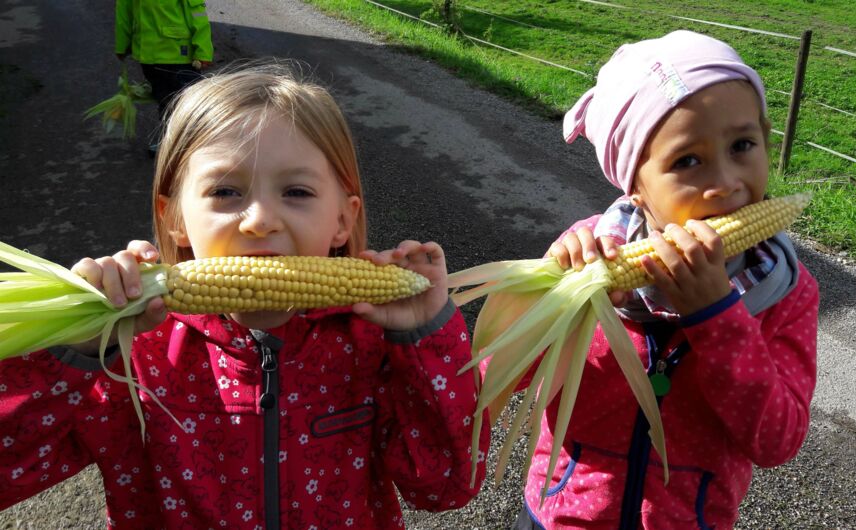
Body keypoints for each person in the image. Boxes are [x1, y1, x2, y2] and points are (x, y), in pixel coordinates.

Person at [0, 63, 489, 529]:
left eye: (296, 192)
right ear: (174, 218)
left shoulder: (371, 344)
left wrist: (425, 342)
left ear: (343, 220)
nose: (260, 219)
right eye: (226, 193)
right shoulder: (132, 354)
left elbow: (446, 489)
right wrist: (75, 350)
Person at [510, 31, 819, 529]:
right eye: (687, 161)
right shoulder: (587, 253)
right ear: (635, 185)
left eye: (743, 145)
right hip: (562, 517)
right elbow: (506, 381)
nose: (727, 183)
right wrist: (558, 300)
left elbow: (777, 442)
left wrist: (716, 316)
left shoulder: (786, 290)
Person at [115, 0, 214, 152]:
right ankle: (171, 142)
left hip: (179, 55)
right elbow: (124, 14)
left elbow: (197, 14)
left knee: (190, 102)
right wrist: (122, 45)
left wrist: (203, 51)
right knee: (165, 101)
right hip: (150, 59)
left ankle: (201, 144)